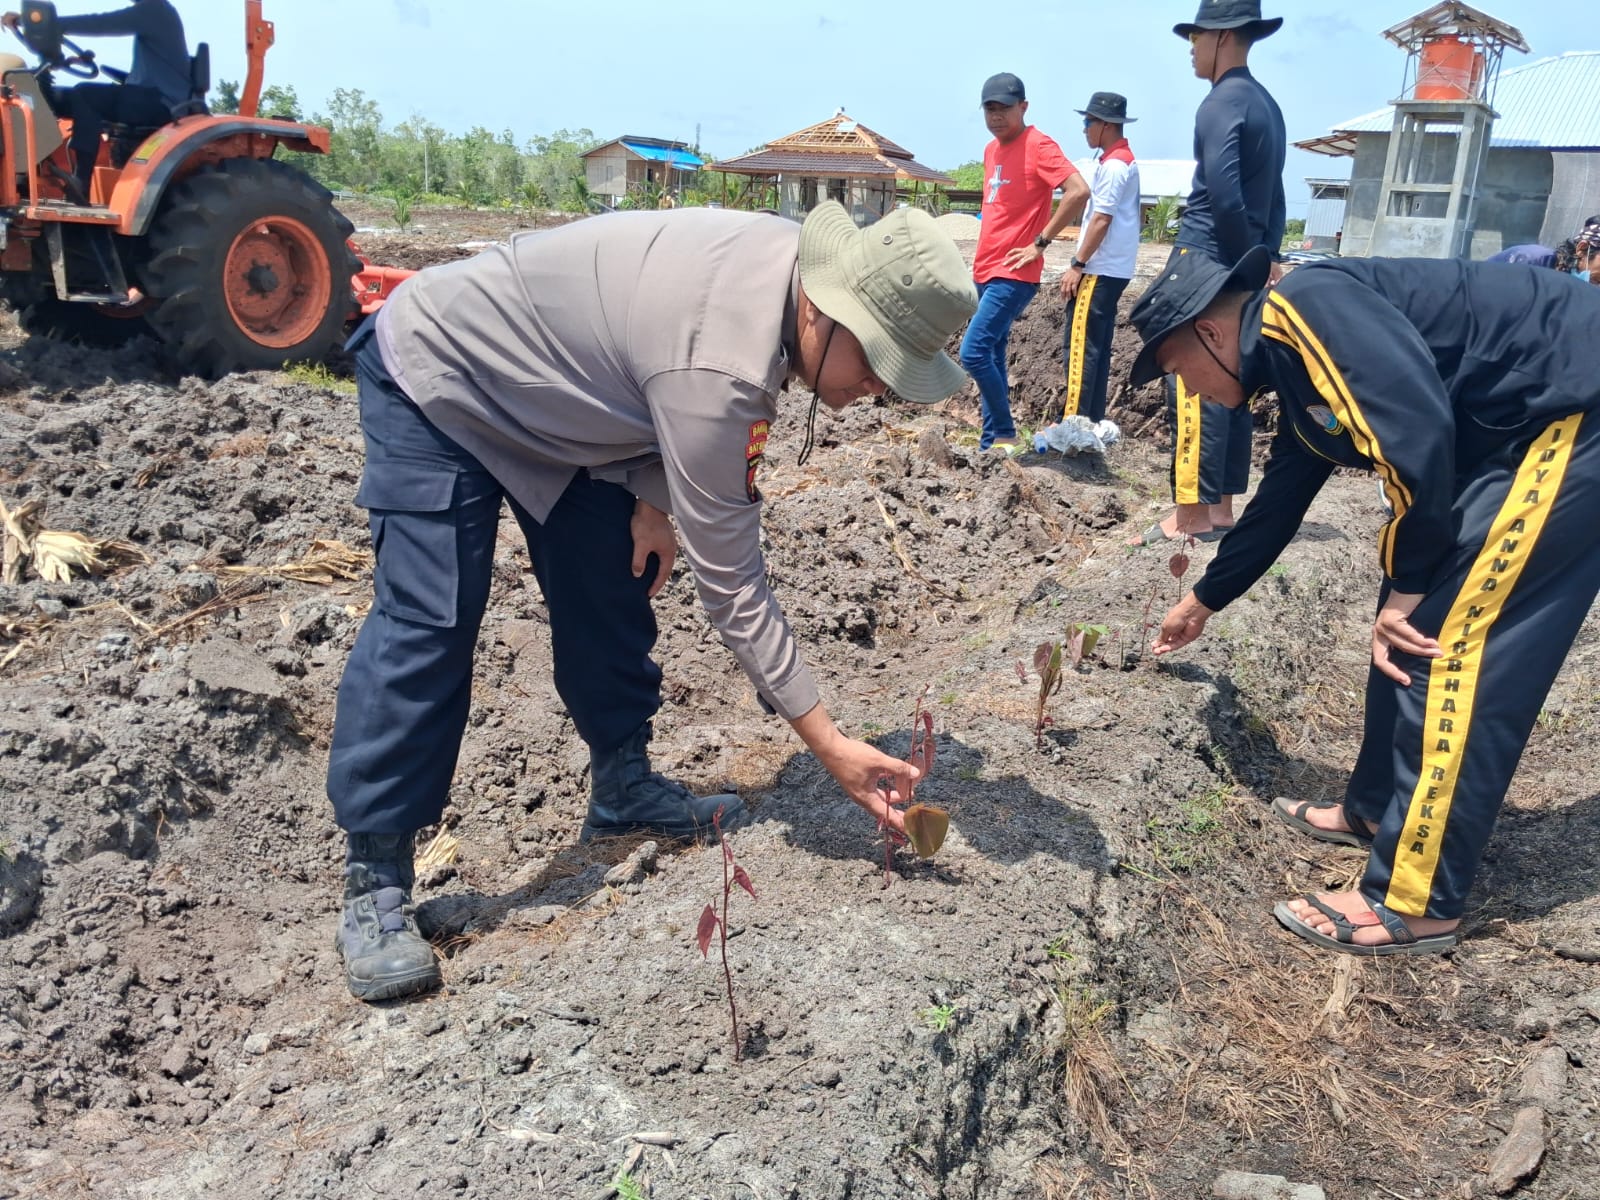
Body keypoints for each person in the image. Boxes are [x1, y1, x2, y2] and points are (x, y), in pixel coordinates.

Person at [327, 202, 979, 1001]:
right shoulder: (726, 364)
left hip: (562, 407)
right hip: (442, 375)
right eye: (877, 363)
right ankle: (377, 876)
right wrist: (830, 744)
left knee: (610, 575)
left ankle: (623, 784)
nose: (876, 388)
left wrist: (653, 498)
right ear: (823, 306)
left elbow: (639, 364)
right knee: (430, 621)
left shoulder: (780, 285)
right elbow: (734, 584)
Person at [1128, 242, 1600, 957]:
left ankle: (1416, 899)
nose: (1187, 390)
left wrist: (1412, 587)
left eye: (1176, 371)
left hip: (1576, 410)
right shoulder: (1296, 362)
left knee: (1444, 635)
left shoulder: (1304, 307)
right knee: (1408, 600)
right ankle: (1377, 808)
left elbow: (1418, 434)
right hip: (1532, 422)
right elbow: (1286, 489)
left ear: (1213, 333)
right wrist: (1205, 598)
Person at [1132, 0, 1285, 547]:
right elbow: (1276, 197)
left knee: (1191, 378)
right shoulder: (1265, 104)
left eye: (1195, 38)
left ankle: (1191, 516)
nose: (1192, 50)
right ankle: (1220, 508)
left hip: (1205, 259)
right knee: (1231, 373)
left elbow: (1222, 192)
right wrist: (1262, 259)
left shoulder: (1219, 102)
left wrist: (1241, 259)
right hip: (1243, 260)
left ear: (1221, 37)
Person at [960, 72, 1089, 452]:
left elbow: (1078, 190)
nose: (996, 116)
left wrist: (1040, 242)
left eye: (1004, 108)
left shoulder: (1039, 145)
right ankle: (992, 444)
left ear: (1023, 107)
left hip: (1014, 271)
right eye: (990, 108)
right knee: (993, 352)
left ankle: (1003, 432)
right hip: (985, 267)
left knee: (973, 351)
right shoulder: (990, 151)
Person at [1, 0, 189, 195]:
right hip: (144, 94)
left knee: (86, 95)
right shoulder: (154, 13)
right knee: (47, 99)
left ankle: (81, 182)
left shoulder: (155, 9)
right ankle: (26, 173)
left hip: (161, 103)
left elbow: (101, 23)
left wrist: (31, 23)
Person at [1059, 91, 1140, 425]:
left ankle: (1075, 424)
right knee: (1096, 348)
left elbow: (1101, 219)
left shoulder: (1114, 166)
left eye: (1088, 122)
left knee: (1079, 348)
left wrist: (1077, 264)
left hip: (1098, 269)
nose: (1084, 129)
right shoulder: (1120, 161)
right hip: (1114, 269)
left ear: (1105, 125)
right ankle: (1089, 422)